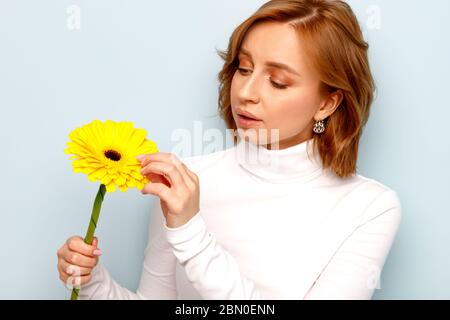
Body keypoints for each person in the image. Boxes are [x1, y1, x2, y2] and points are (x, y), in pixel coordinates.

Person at [57, 0, 402, 299]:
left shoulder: (370, 208)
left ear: (327, 103)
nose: (246, 92)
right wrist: (91, 284)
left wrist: (191, 232)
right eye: (244, 68)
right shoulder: (186, 182)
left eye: (278, 81)